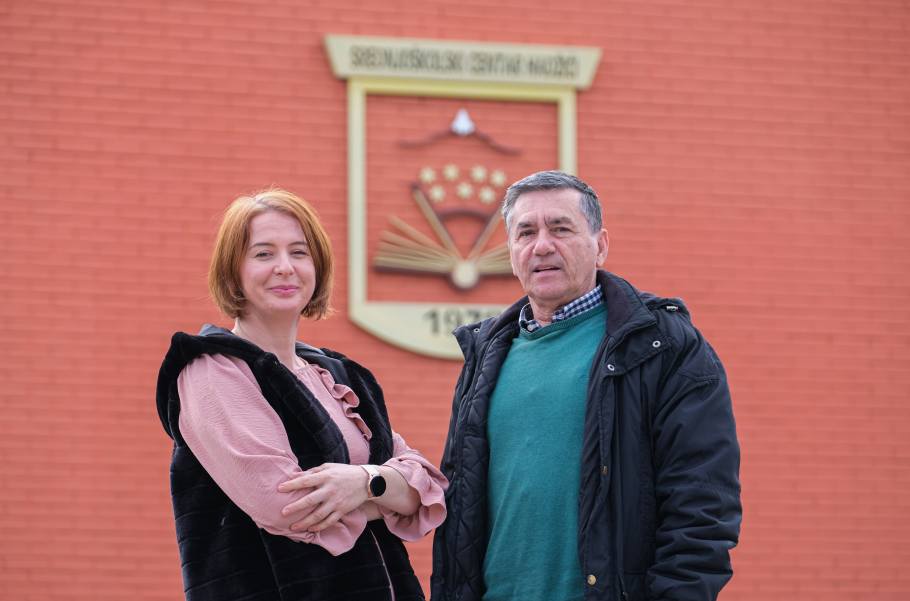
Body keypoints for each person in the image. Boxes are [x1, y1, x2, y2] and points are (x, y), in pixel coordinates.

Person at [431, 171, 741, 601]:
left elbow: (702, 505)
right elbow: (460, 509)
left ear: (600, 245)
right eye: (526, 233)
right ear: (511, 252)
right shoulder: (485, 356)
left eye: (561, 229)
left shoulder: (663, 346)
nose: (542, 245)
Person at [156, 188, 447, 601]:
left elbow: (427, 484)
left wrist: (363, 482)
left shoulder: (339, 375)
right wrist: (387, 490)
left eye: (299, 252)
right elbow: (285, 506)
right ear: (232, 271)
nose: (284, 267)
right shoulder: (212, 370)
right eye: (263, 254)